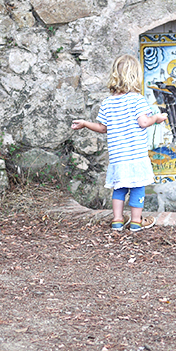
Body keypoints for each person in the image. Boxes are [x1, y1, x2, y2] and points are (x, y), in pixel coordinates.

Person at [72, 54, 168, 232]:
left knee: (119, 189)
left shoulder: (108, 103)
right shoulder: (137, 100)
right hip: (136, 156)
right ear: (135, 77)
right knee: (138, 188)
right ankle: (136, 221)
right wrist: (157, 117)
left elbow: (102, 128)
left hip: (118, 157)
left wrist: (85, 123)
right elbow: (143, 122)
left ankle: (117, 220)